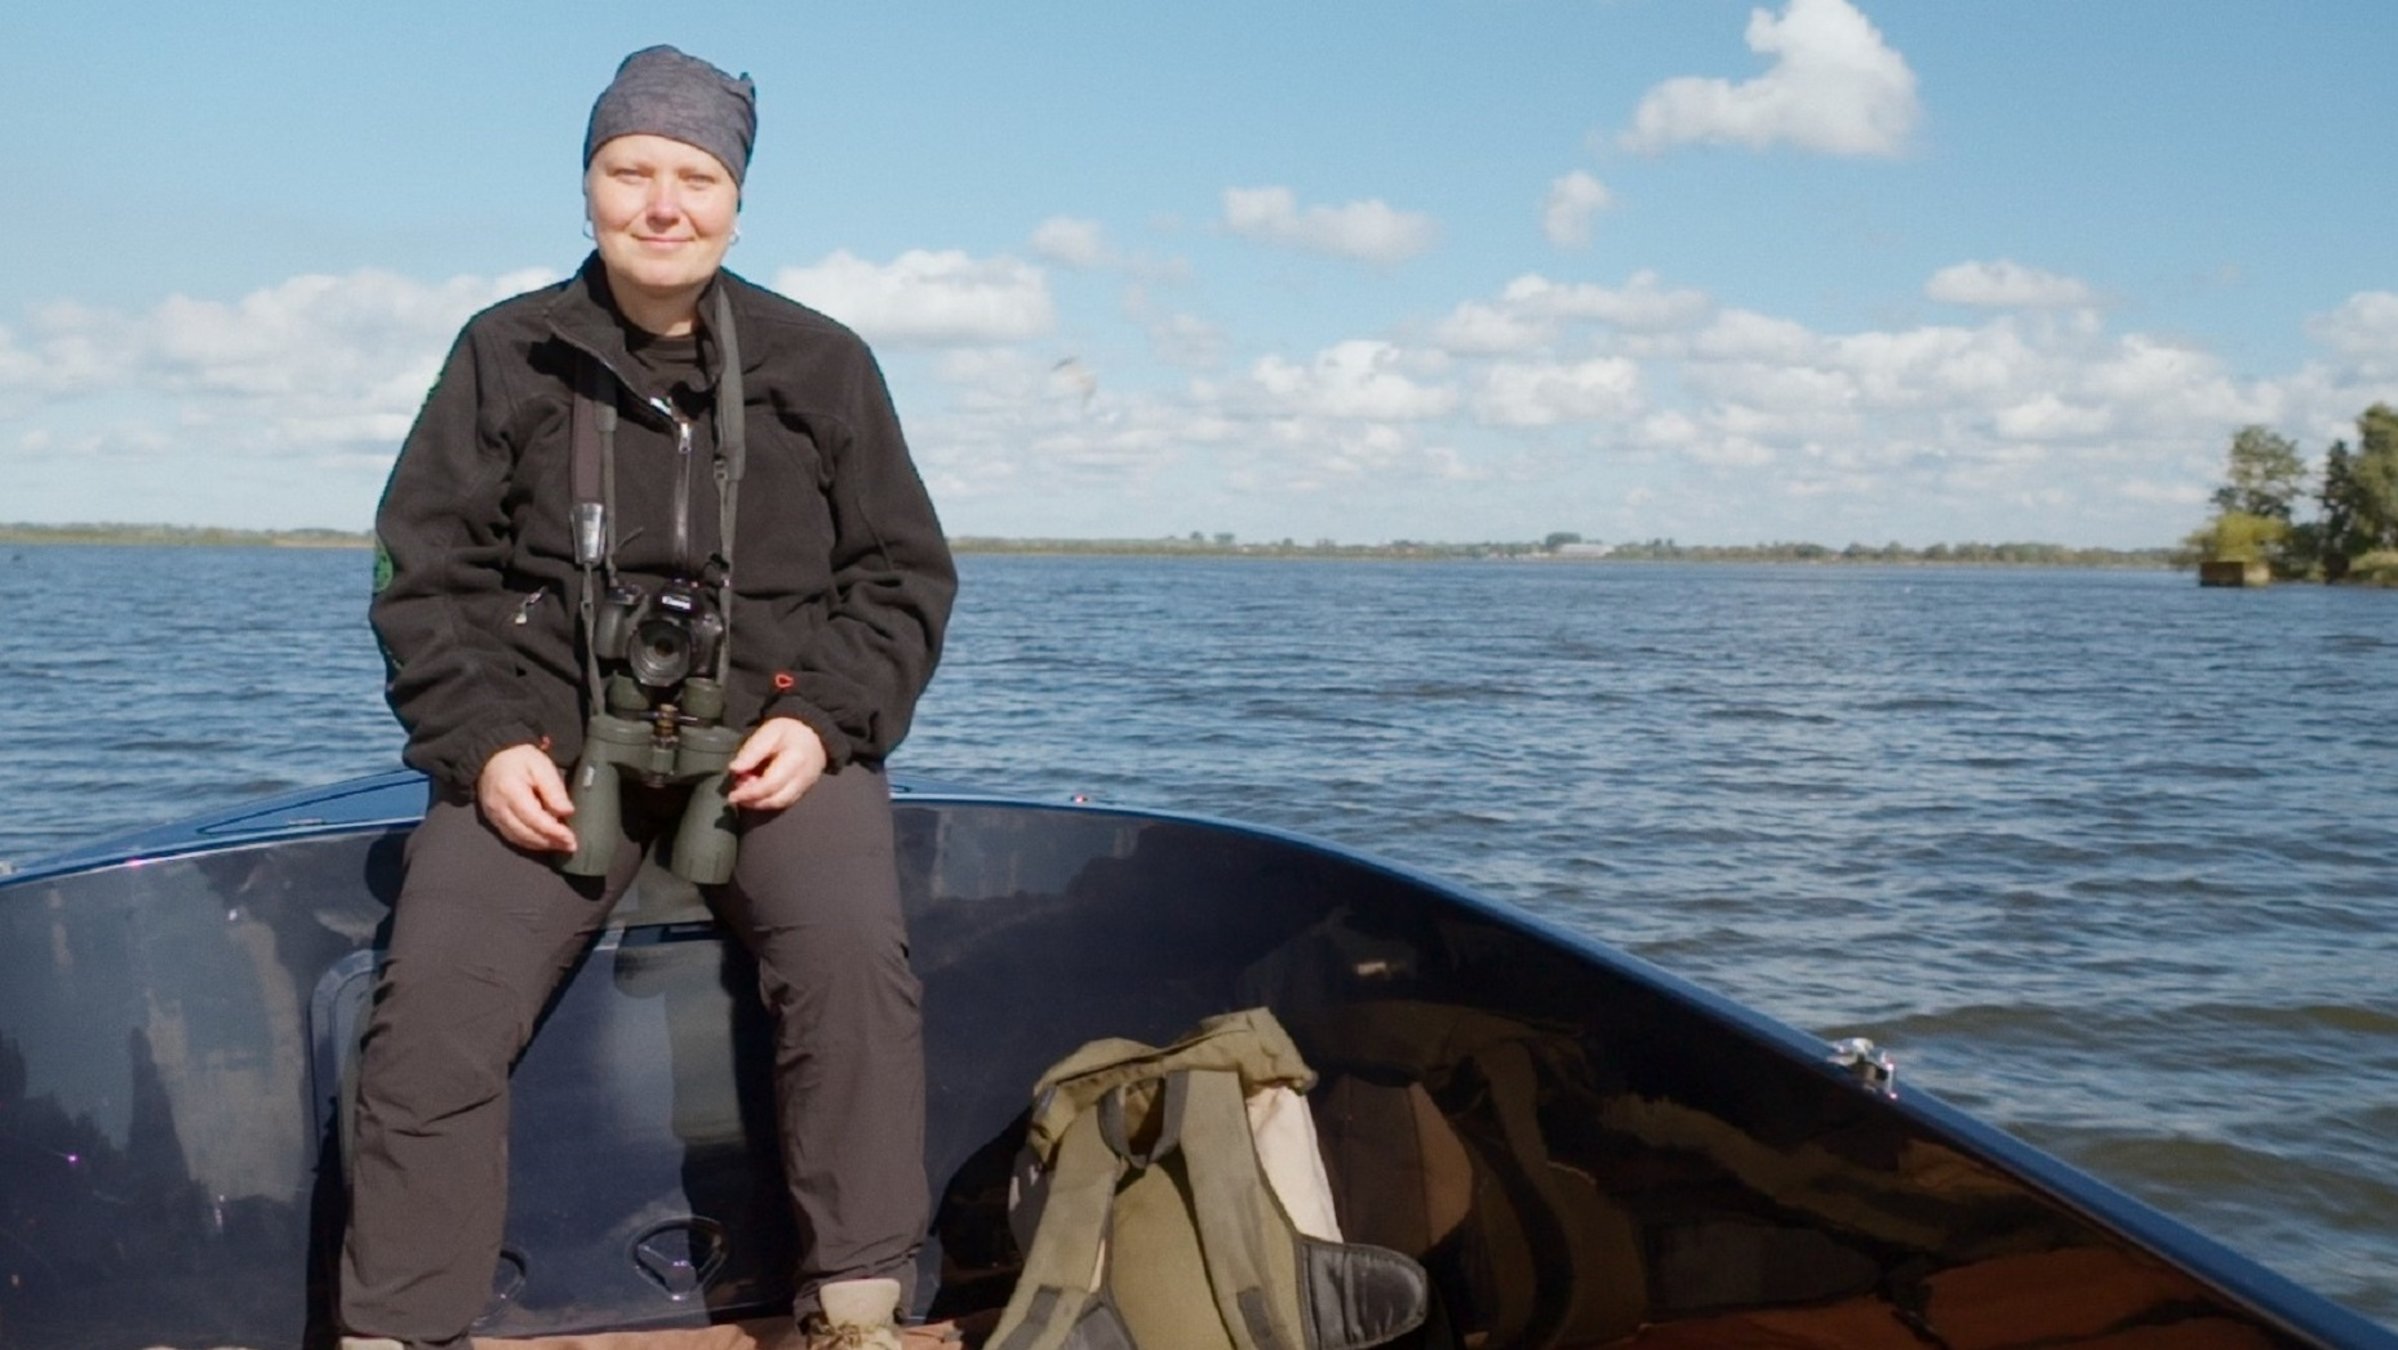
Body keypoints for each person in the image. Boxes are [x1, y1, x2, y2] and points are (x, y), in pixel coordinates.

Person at [347, 45, 955, 1350]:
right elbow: (418, 570)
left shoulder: (822, 363)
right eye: (631, 171)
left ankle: (857, 1302)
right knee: (435, 999)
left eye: (695, 175)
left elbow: (902, 576)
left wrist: (823, 720)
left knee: (853, 966)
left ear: (736, 200)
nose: (662, 203)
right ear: (587, 187)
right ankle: (397, 1327)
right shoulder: (502, 354)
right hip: (549, 744)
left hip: (773, 738)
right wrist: (483, 740)